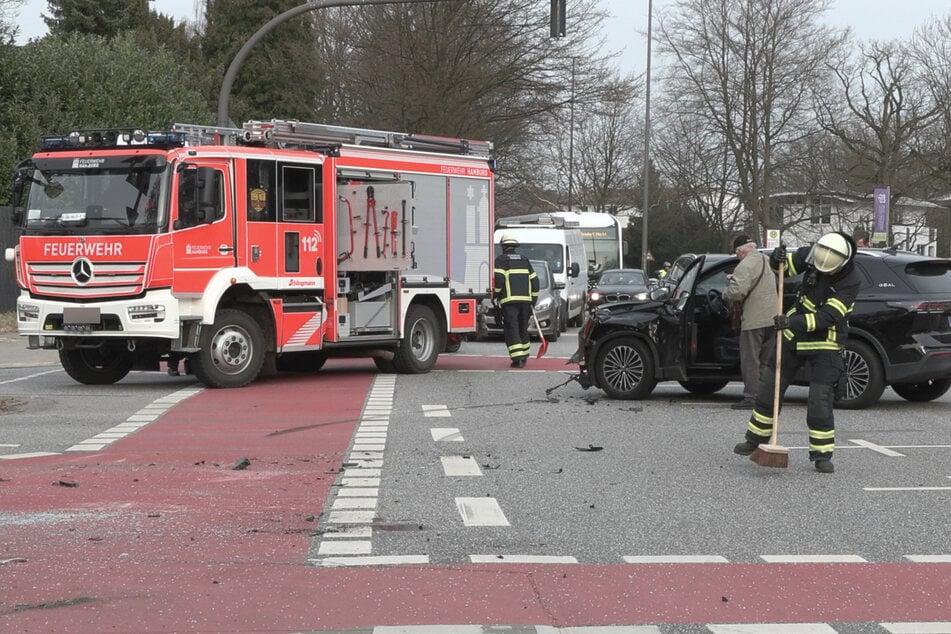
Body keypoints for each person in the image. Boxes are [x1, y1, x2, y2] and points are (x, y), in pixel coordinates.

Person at [733, 232, 861, 473]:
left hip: (826, 343)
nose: (825, 272)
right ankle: (755, 439)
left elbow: (828, 317)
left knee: (819, 402)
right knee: (768, 388)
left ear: (841, 264)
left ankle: (822, 455)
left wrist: (792, 323)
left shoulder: (851, 279)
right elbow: (785, 269)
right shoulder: (816, 252)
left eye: (829, 271)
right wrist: (777, 259)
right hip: (793, 337)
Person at [723, 235, 778, 409]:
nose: (738, 256)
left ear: (740, 251)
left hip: (754, 320)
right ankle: (764, 396)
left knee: (750, 360)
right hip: (772, 318)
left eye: (737, 253)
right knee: (765, 361)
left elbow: (737, 292)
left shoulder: (744, 265)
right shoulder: (765, 259)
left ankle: (751, 398)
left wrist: (725, 293)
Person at [493, 234, 539, 368]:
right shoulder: (525, 260)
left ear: (503, 246)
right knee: (522, 328)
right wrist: (533, 300)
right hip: (526, 302)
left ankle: (517, 358)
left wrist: (494, 295)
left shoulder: (501, 260)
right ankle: (524, 356)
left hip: (509, 302)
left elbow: (499, 280)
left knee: (512, 329)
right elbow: (535, 282)